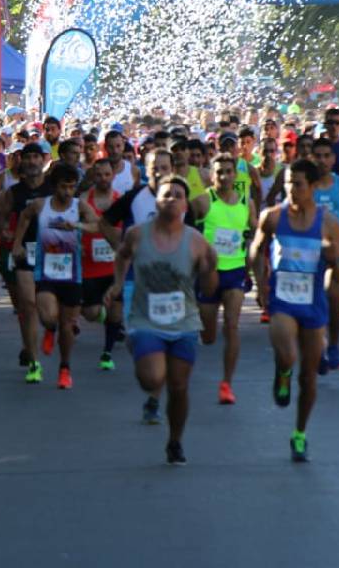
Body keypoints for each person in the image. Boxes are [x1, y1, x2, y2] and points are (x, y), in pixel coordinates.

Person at [106, 178, 218, 465]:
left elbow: (208, 287)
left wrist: (210, 269)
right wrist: (118, 284)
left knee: (179, 387)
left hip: (184, 323)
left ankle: (175, 441)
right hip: (146, 318)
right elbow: (121, 256)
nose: (172, 199)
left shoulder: (195, 241)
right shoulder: (137, 234)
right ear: (157, 201)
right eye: (167, 195)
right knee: (152, 378)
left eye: (178, 196)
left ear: (185, 205)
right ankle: (148, 361)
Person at [250, 159, 339, 462]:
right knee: (289, 355)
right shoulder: (273, 217)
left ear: (314, 187)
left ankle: (300, 433)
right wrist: (261, 283)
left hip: (313, 301)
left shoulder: (328, 222)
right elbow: (255, 250)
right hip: (282, 299)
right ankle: (282, 370)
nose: (292, 188)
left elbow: (338, 263)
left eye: (299, 183)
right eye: (289, 182)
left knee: (308, 378)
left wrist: (333, 266)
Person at [12, 163, 104, 390]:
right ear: (54, 186)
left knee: (68, 325)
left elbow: (97, 225)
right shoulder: (40, 205)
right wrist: (17, 245)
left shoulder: (78, 205)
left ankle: (65, 368)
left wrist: (78, 225)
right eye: (64, 187)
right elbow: (23, 217)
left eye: (72, 187)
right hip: (46, 272)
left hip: (72, 275)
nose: (68, 192)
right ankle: (49, 329)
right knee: (47, 316)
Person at [190, 154, 255, 404]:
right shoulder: (203, 201)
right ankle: (203, 335)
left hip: (235, 272)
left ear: (235, 175)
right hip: (208, 274)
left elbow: (254, 231)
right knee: (209, 336)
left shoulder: (245, 203)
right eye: (220, 172)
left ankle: (227, 383)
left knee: (231, 325)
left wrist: (252, 257)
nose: (225, 176)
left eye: (229, 171)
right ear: (212, 174)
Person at [0, 142, 48, 382]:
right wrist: (5, 232)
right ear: (22, 161)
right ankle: (34, 360)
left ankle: (39, 340)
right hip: (24, 254)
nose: (32, 162)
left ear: (43, 160)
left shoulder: (54, 189)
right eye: (28, 157)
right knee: (28, 306)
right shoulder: (14, 192)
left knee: (48, 311)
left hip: (54, 254)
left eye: (36, 157)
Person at [309, 138, 339, 371]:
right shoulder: (305, 186)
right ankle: (319, 346)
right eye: (318, 155)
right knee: (316, 300)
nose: (322, 160)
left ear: (333, 158)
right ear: (311, 158)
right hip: (311, 250)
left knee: (332, 292)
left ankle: (334, 345)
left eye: (327, 155)